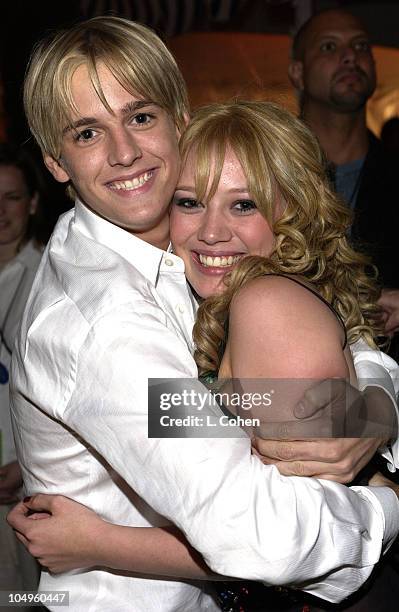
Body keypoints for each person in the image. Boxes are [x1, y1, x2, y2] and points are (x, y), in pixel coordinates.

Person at [7, 16, 399, 611]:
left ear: (179, 123)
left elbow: (261, 399)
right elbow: (259, 532)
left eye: (139, 117)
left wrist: (372, 414)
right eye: (87, 133)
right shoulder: (108, 326)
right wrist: (390, 502)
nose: (124, 152)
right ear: (55, 163)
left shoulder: (188, 255)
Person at [288, 8, 399, 302]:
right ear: (298, 73)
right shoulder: (268, 171)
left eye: (361, 46)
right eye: (329, 47)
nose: (351, 56)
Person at [0, 143, 45, 598]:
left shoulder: (51, 274)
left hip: (20, 485)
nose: (0, 210)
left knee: (20, 598)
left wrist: (25, 464)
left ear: (32, 202)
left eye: (11, 196)